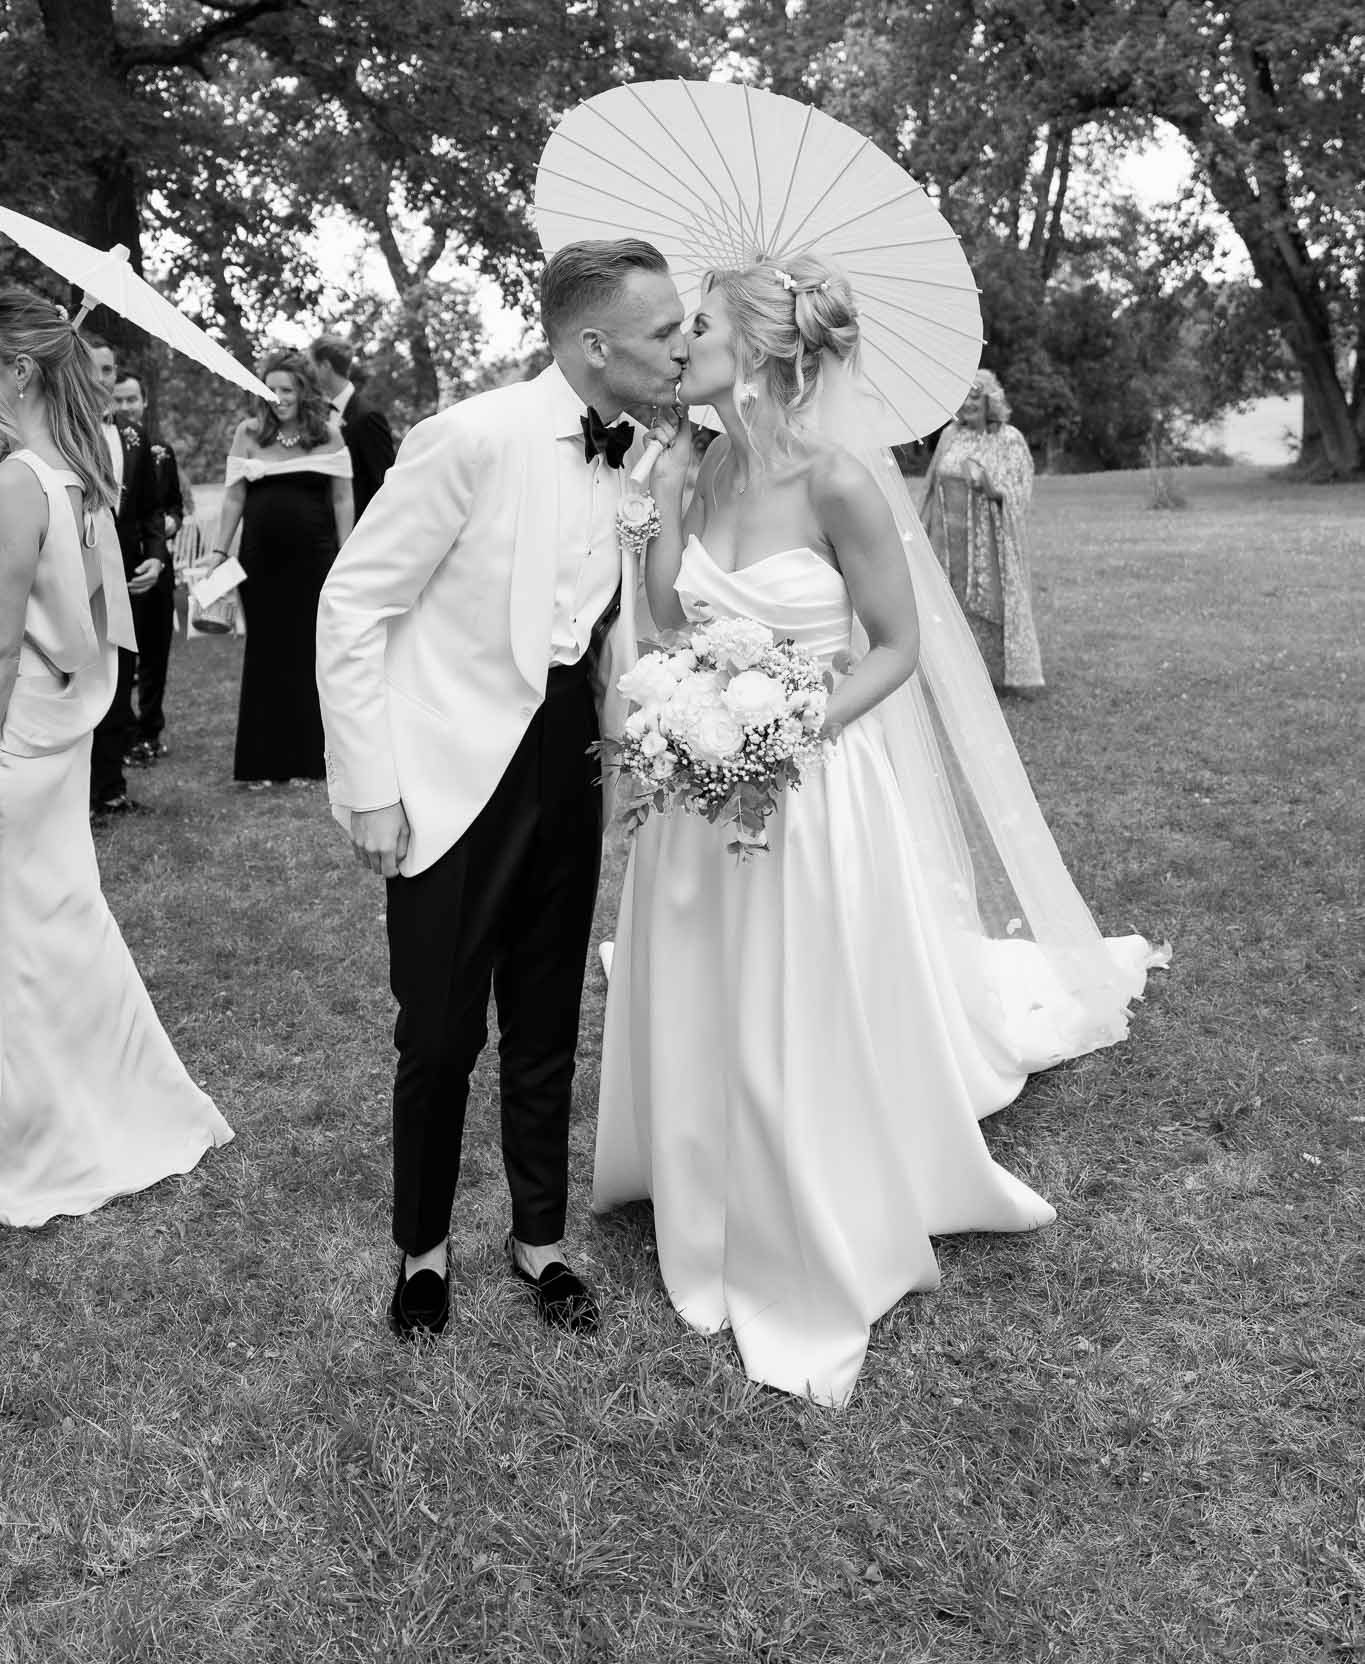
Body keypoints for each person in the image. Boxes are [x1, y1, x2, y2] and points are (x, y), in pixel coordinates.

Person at [592, 256, 1162, 1407]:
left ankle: (805, 1184)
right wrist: (659, 499)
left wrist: (791, 727)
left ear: (758, 350)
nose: (677, 341)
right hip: (700, 781)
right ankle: (698, 1159)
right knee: (704, 975)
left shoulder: (841, 481)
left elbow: (896, 647)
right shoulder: (700, 464)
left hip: (807, 783)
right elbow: (664, 616)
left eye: (698, 325)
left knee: (795, 990)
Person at [316, 239, 689, 1342]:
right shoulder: (469, 437)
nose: (682, 347)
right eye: (665, 331)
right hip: (450, 774)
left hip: (569, 761)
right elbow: (353, 605)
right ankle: (423, 1251)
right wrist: (371, 786)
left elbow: (608, 628)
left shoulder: (638, 457)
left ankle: (541, 1242)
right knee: (437, 1034)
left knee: (545, 1017)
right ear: (594, 344)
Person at [0, 287, 232, 1226]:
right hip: (60, 723)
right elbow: (102, 623)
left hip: (16, 732)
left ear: (18, 371)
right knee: (60, 919)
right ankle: (111, 1103)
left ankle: (43, 1133)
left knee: (25, 936)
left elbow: (1, 643)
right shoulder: (82, 473)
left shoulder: (21, 480)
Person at [207, 350, 354, 787]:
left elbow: (342, 498)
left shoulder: (329, 435)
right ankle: (262, 764)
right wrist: (218, 551)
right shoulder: (249, 433)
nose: (279, 398)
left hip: (314, 562)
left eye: (287, 389)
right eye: (271, 390)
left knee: (309, 657)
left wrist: (347, 556)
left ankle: (311, 761)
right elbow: (234, 496)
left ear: (304, 391)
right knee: (265, 656)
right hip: (261, 561)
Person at [84, 334, 167, 815]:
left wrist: (155, 556)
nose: (103, 379)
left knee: (121, 677)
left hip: (130, 577)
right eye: (93, 369)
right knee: (83, 673)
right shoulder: (60, 432)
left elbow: (151, 509)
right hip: (81, 575)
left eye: (109, 369)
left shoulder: (135, 436)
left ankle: (111, 787)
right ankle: (78, 789)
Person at [920, 369, 1044, 690]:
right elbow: (932, 482)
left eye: (975, 397)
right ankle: (952, 672)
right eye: (963, 397)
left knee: (984, 602)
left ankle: (991, 673)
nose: (968, 404)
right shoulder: (950, 435)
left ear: (990, 400)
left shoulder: (1008, 438)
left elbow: (1020, 489)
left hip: (986, 542)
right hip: (946, 540)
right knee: (947, 600)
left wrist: (990, 488)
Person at [111, 370, 184, 763]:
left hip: (158, 562)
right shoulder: (105, 443)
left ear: (144, 401)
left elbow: (172, 505)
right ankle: (122, 732)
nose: (126, 406)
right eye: (119, 399)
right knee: (123, 654)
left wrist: (171, 522)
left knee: (156, 650)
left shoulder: (161, 451)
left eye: (132, 399)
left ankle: (150, 729)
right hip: (122, 561)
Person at [310, 337, 396, 519]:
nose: (310, 372)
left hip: (358, 524)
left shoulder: (367, 416)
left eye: (313, 365)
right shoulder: (319, 412)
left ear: (325, 366)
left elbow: (383, 482)